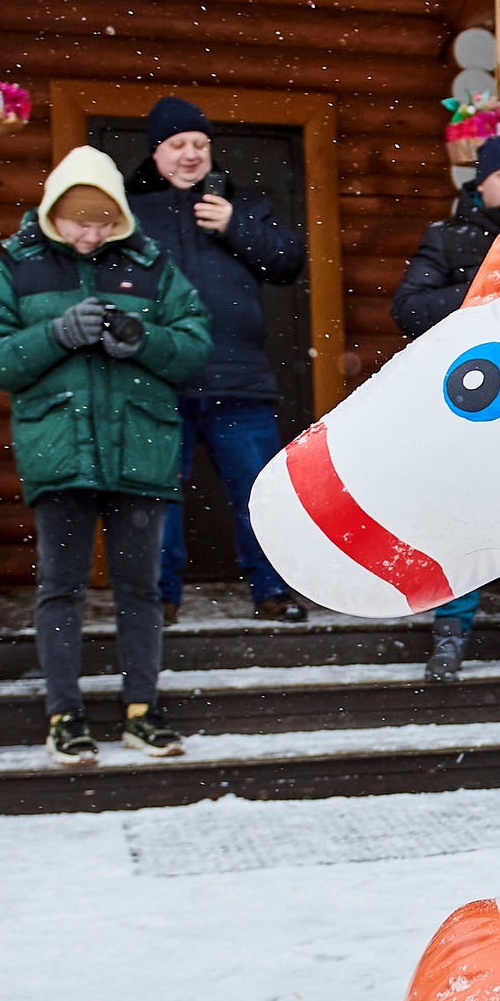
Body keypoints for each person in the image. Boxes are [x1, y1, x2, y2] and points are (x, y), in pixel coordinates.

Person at [0, 146, 212, 768]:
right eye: (79, 222)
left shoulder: (151, 264)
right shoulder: (16, 266)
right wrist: (54, 334)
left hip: (141, 450)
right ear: (53, 212)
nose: (90, 235)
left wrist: (143, 339)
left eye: (103, 222)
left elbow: (194, 344)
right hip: (60, 451)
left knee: (140, 588)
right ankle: (64, 716)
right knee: (61, 586)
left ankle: (142, 712)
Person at [127, 97, 311, 625]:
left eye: (200, 144)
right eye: (178, 144)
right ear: (156, 152)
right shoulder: (131, 212)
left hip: (239, 380)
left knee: (258, 494)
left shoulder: (244, 202)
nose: (191, 154)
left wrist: (234, 225)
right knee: (159, 496)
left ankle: (273, 591)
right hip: (159, 380)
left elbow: (288, 260)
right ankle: (160, 598)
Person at [392, 135, 500, 678]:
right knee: (467, 513)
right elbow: (408, 308)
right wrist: (488, 291)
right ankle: (450, 633)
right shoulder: (448, 237)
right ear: (480, 185)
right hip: (476, 400)